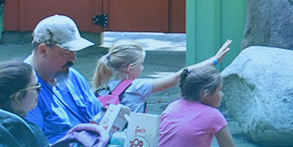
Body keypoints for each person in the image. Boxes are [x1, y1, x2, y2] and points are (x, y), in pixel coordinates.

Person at [157, 66, 247, 147]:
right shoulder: (213, 116)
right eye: (219, 90)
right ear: (205, 93)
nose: (222, 94)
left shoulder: (172, 106)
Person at [91, 40, 234, 114]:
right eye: (141, 64)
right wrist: (214, 61)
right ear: (130, 68)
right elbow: (178, 76)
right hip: (129, 143)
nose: (143, 67)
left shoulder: (103, 87)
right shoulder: (137, 86)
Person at [24, 14, 103, 143]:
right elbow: (36, 146)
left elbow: (97, 113)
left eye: (75, 52)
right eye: (66, 52)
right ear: (43, 50)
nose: (73, 59)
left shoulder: (72, 76)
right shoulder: (24, 88)